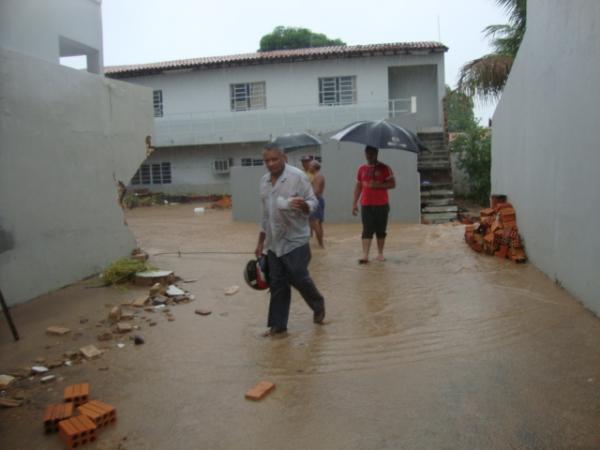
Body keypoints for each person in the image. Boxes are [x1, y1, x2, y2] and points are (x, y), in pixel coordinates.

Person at [255, 144, 326, 336]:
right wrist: (260, 241)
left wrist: (304, 206)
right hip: (273, 242)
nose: (271, 164)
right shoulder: (264, 181)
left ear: (283, 158)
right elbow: (265, 214)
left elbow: (313, 202)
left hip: (296, 238)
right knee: (277, 283)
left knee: (297, 275)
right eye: (267, 160)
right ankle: (278, 326)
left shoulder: (297, 177)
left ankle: (318, 303)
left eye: (274, 159)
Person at [352, 146, 396, 264]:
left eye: (372, 154)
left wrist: (377, 185)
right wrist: (354, 203)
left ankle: (380, 254)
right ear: (365, 154)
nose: (369, 156)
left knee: (381, 230)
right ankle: (365, 255)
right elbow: (358, 187)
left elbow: (392, 184)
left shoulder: (385, 168)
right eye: (367, 154)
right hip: (366, 204)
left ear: (377, 154)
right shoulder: (361, 169)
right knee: (367, 229)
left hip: (381, 204)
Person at [308, 160, 326, 248]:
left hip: (316, 201)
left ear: (314, 167)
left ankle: (321, 245)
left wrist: (308, 197)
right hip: (317, 201)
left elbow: (317, 190)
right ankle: (321, 244)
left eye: (310, 165)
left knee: (316, 223)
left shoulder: (318, 176)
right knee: (317, 223)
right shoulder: (316, 176)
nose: (309, 167)